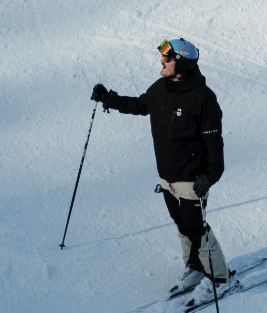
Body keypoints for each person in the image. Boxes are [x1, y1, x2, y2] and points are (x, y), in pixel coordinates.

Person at [92, 38, 230, 299]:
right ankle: (195, 268)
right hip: (167, 176)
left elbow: (215, 142)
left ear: (182, 63)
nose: (162, 61)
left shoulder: (203, 99)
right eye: (163, 57)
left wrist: (210, 177)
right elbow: (141, 105)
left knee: (196, 228)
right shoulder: (162, 88)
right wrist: (109, 99)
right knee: (181, 224)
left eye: (167, 58)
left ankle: (220, 278)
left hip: (192, 179)